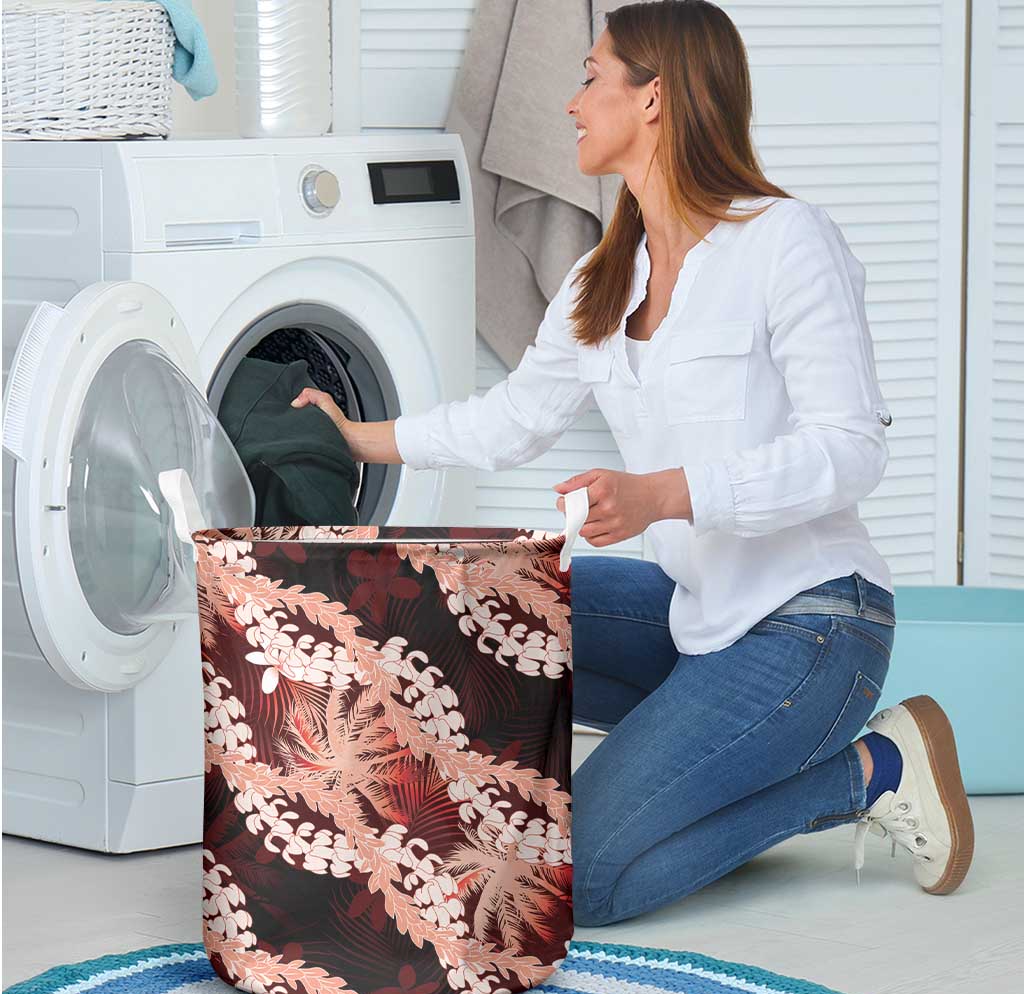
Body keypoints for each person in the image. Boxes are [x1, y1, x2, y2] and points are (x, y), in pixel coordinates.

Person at [291, 0, 974, 927]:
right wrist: (362, 435)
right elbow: (513, 420)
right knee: (469, 603)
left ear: (653, 99)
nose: (570, 103)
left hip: (814, 625)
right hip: (699, 619)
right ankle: (645, 771)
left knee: (582, 882)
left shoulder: (784, 240)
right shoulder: (602, 278)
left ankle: (870, 772)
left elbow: (850, 452)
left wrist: (667, 496)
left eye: (589, 77)